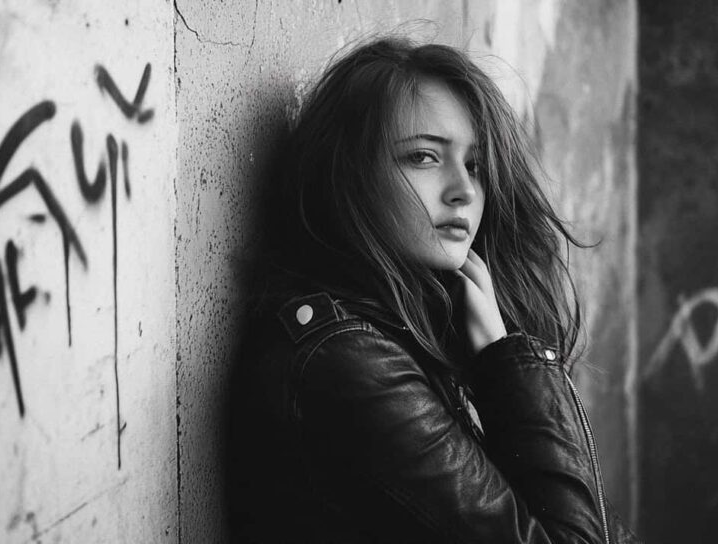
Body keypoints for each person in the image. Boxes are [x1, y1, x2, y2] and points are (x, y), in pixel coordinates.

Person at [226, 36, 639, 543]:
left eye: (474, 165)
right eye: (423, 157)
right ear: (350, 175)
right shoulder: (350, 363)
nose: (463, 190)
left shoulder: (401, 334)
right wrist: (509, 364)